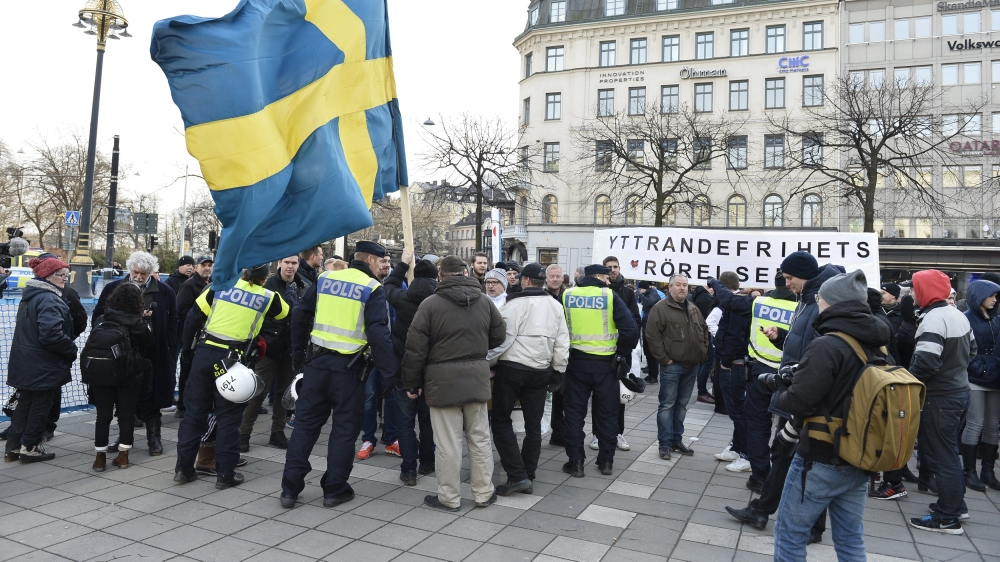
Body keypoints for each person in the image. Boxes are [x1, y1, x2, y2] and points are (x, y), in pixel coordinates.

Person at [772, 269, 888, 561]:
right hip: (858, 456)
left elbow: (800, 402)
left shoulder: (827, 344)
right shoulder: (877, 344)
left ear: (833, 303)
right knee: (850, 539)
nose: (818, 303)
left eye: (820, 298)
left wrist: (781, 393)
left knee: (790, 535)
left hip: (820, 457)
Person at [726, 252, 840, 540]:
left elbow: (819, 350)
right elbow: (804, 341)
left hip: (806, 395)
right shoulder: (808, 299)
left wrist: (796, 386)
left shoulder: (818, 302)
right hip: (799, 391)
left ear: (806, 275)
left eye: (790, 278)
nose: (786, 283)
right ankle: (763, 510)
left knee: (802, 459)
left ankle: (808, 526)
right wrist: (782, 335)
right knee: (786, 454)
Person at [281, 242, 395, 508]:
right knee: (344, 431)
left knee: (305, 427)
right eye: (381, 261)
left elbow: (299, 314)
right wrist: (390, 375)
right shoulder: (372, 288)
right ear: (369, 259)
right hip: (349, 371)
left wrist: (298, 354)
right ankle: (334, 489)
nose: (382, 266)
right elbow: (379, 334)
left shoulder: (326, 278)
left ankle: (289, 489)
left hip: (316, 365)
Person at [402, 256, 506, 511]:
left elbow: (415, 349)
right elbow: (499, 335)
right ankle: (483, 493)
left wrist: (412, 382)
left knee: (448, 443)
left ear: (441, 275)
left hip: (442, 382)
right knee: (480, 439)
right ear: (464, 272)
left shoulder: (430, 305)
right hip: (476, 379)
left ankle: (449, 498)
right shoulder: (484, 301)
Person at [174, 264, 289, 489]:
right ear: (266, 278)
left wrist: (188, 351)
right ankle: (225, 475)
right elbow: (285, 314)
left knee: (194, 415)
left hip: (205, 355)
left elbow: (192, 318)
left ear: (243, 273)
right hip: (231, 362)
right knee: (228, 418)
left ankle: (183, 469)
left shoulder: (219, 287)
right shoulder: (269, 297)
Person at [487, 263, 569, 495]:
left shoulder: (514, 305)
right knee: (534, 425)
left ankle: (518, 474)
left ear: (524, 281)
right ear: (543, 281)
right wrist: (558, 370)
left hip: (512, 369)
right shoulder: (555, 305)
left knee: (501, 420)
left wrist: (486, 361)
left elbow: (502, 340)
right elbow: (563, 341)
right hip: (540, 371)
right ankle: (527, 473)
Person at [908, 269, 974, 535]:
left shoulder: (933, 319)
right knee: (949, 453)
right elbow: (974, 350)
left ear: (925, 290)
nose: (911, 293)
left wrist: (907, 380)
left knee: (942, 456)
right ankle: (956, 505)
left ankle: (947, 518)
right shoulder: (957, 314)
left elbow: (925, 362)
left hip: (940, 398)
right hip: (959, 392)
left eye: (913, 288)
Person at [93, 252, 178, 455]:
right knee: (123, 401)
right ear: (130, 269)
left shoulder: (165, 291)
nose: (139, 276)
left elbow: (174, 320)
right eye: (136, 272)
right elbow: (98, 316)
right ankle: (124, 439)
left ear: (151, 272)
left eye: (144, 273)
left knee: (152, 399)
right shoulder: (113, 288)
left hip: (153, 353)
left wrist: (168, 345)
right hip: (121, 355)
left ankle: (154, 438)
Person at [561, 264, 639, 477]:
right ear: (597, 277)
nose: (609, 280)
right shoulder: (609, 296)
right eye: (606, 277)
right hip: (606, 365)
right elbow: (631, 330)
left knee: (575, 414)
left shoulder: (567, 294)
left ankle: (575, 462)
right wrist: (620, 353)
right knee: (607, 414)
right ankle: (606, 461)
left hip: (575, 362)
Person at [4, 256, 75, 463]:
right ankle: (31, 446)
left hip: (26, 361)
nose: (65, 279)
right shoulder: (49, 298)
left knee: (24, 404)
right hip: (42, 364)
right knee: (40, 405)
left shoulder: (31, 296)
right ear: (49, 277)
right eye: (62, 276)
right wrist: (70, 348)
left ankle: (13, 447)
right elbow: (51, 334)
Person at [239, 256, 305, 452]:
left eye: (294, 263)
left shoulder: (302, 286)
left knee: (283, 394)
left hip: (289, 348)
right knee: (257, 392)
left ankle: (277, 432)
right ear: (279, 264)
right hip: (267, 348)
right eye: (287, 262)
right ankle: (243, 433)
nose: (290, 266)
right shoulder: (268, 284)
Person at [384, 251, 439, 485]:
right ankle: (428, 463)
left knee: (405, 423)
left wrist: (402, 264)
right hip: (431, 373)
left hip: (403, 371)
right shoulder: (440, 302)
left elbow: (389, 284)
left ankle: (408, 470)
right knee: (428, 422)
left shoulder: (403, 299)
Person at [739, 271, 796, 492]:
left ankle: (760, 476)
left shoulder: (758, 302)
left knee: (757, 425)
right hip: (787, 373)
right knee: (787, 429)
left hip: (759, 371)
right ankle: (780, 476)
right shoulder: (801, 307)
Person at [89, 283, 153, 471]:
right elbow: (150, 344)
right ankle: (123, 456)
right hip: (128, 373)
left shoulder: (102, 318)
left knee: (103, 416)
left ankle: (100, 458)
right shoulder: (137, 323)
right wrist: (147, 322)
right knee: (126, 415)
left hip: (102, 372)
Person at [646, 274, 709, 460]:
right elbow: (652, 336)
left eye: (685, 285)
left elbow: (704, 332)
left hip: (692, 366)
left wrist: (703, 353)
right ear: (670, 287)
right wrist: (664, 360)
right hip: (672, 366)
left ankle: (676, 440)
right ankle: (664, 444)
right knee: (667, 405)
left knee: (681, 405)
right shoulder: (660, 309)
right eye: (678, 285)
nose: (682, 288)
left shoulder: (693, 308)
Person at [707, 273, 753, 474]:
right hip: (735, 362)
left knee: (737, 410)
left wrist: (725, 361)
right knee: (736, 410)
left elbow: (735, 335)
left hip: (734, 364)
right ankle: (737, 448)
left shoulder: (735, 305)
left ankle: (746, 453)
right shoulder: (737, 302)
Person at [959, 280, 1000, 492]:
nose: (995, 299)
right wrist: (983, 370)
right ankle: (969, 472)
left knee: (993, 425)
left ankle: (988, 471)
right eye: (991, 295)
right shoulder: (965, 319)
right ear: (979, 296)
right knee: (975, 423)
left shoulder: (998, 320)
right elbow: (966, 352)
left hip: (995, 379)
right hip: (974, 378)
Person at [174, 255, 213, 418]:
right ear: (197, 267)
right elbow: (181, 310)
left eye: (210, 265)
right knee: (187, 371)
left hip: (206, 336)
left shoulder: (212, 285)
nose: (207, 268)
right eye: (204, 265)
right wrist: (197, 319)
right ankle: (182, 405)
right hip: (191, 335)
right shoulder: (189, 285)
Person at [637, 281, 663, 385]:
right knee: (647, 351)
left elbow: (649, 302)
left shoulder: (653, 294)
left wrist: (639, 295)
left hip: (651, 326)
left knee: (651, 352)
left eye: (640, 289)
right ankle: (651, 375)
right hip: (646, 325)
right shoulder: (649, 293)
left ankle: (654, 376)